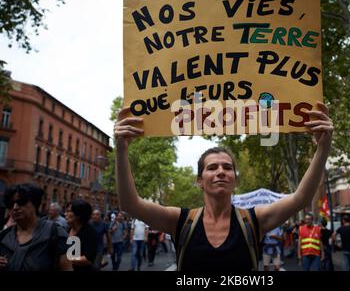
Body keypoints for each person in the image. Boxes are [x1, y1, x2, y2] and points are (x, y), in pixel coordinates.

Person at [114, 101, 333, 272]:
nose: (220, 171)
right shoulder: (180, 221)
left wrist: (323, 147)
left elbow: (301, 199)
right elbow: (130, 204)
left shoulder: (253, 220)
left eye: (227, 167)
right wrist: (121, 149)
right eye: (212, 167)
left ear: (235, 180)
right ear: (199, 180)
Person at [0, 183, 72, 271]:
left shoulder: (56, 233)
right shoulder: (4, 235)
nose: (15, 207)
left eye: (21, 202)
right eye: (11, 204)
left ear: (35, 203)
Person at [65, 199, 98, 271]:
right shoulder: (66, 230)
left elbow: (87, 259)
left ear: (78, 215)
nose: (65, 214)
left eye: (69, 211)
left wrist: (66, 258)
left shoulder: (90, 232)